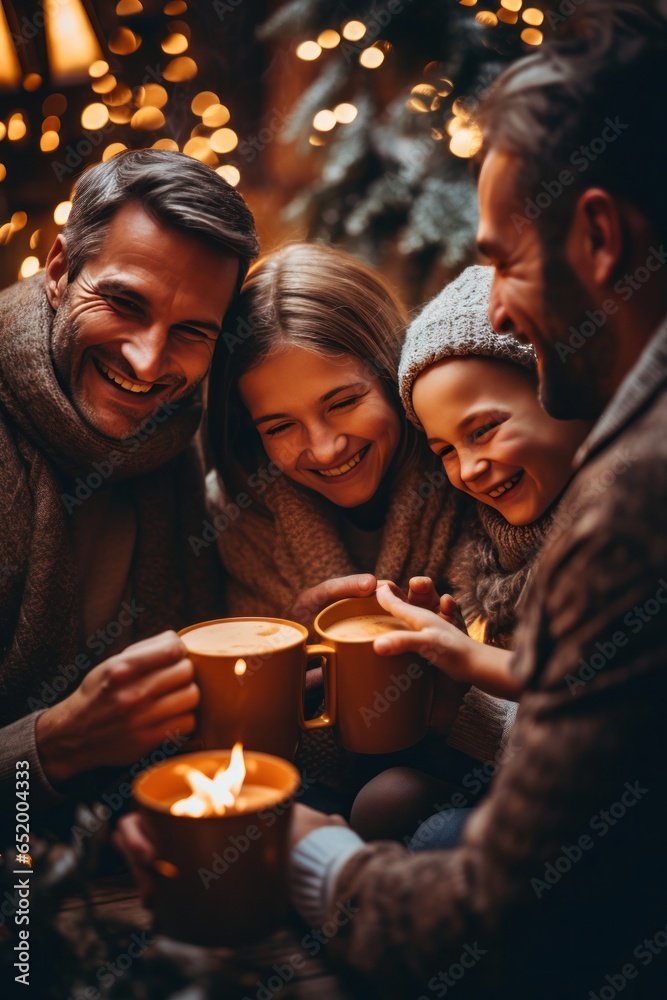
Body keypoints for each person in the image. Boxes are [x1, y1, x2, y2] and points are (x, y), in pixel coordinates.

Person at [281, 6, 667, 998]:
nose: (491, 301)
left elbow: (510, 913)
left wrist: (312, 856)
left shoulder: (628, 499)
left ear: (597, 233)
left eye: (500, 257)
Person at [0, 149, 258, 822]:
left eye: (191, 333)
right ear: (59, 270)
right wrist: (53, 744)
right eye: (123, 302)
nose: (147, 363)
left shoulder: (178, 436)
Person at [205, 241, 516, 795]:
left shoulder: (478, 476)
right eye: (280, 427)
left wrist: (450, 695)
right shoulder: (243, 519)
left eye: (343, 402)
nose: (323, 449)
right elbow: (247, 763)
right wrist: (282, 675)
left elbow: (568, 734)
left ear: (393, 376)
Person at [349, 263, 591, 843]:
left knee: (438, 840)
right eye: (445, 450)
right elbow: (526, 738)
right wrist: (450, 703)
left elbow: (600, 720)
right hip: (536, 771)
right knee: (385, 799)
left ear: (560, 387)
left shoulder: (620, 516)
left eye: (483, 429)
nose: (469, 469)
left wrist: (471, 662)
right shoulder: (492, 544)